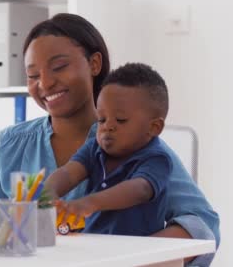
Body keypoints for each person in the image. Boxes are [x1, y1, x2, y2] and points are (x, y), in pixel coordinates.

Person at [0, 13, 220, 266]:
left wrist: (137, 258)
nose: (44, 83)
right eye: (33, 75)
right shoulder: (9, 145)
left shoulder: (135, 145)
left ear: (94, 63)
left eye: (59, 67)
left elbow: (203, 225)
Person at [46, 62, 172, 236]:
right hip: (94, 247)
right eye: (102, 119)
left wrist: (90, 203)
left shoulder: (156, 158)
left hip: (135, 253)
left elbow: (139, 190)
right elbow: (68, 173)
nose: (107, 127)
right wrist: (48, 192)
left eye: (120, 120)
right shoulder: (94, 148)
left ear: (154, 127)